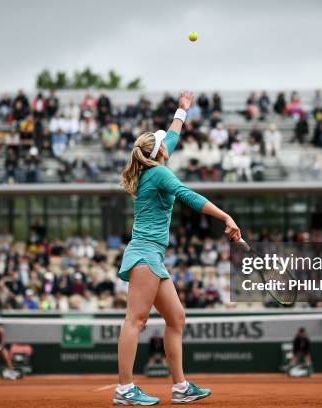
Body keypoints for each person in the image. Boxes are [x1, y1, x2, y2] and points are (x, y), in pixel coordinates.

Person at [114, 91, 241, 405]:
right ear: (159, 153)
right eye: (162, 145)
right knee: (136, 320)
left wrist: (182, 110)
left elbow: (171, 135)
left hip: (153, 255)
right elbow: (190, 197)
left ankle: (180, 387)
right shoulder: (159, 173)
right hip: (145, 252)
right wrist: (226, 217)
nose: (166, 145)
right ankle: (124, 390)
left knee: (176, 318)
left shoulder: (152, 165)